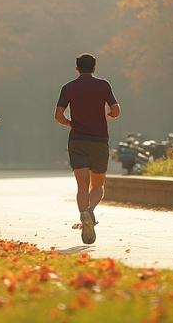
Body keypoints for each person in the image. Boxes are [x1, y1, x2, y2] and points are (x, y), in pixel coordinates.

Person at [54, 53, 120, 244]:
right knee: (98, 185)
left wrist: (70, 123)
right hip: (99, 141)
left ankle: (84, 214)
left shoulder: (68, 88)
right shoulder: (103, 85)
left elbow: (58, 115)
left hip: (77, 141)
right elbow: (116, 110)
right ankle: (90, 212)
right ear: (94, 68)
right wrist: (108, 116)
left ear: (76, 68)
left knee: (82, 187)